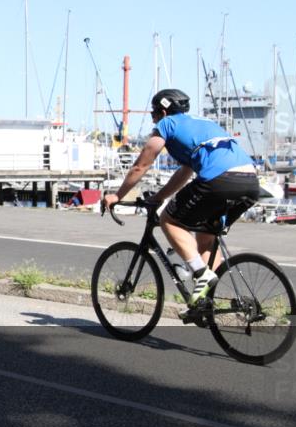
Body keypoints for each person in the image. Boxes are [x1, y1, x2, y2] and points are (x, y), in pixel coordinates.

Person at [102, 89, 259, 305]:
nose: (153, 120)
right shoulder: (203, 124)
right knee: (205, 234)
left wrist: (117, 195)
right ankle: (205, 303)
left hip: (219, 180)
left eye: (153, 114)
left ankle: (199, 273)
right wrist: (159, 196)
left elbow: (141, 165)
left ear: (164, 112)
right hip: (250, 183)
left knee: (169, 220)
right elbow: (185, 172)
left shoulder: (168, 124)